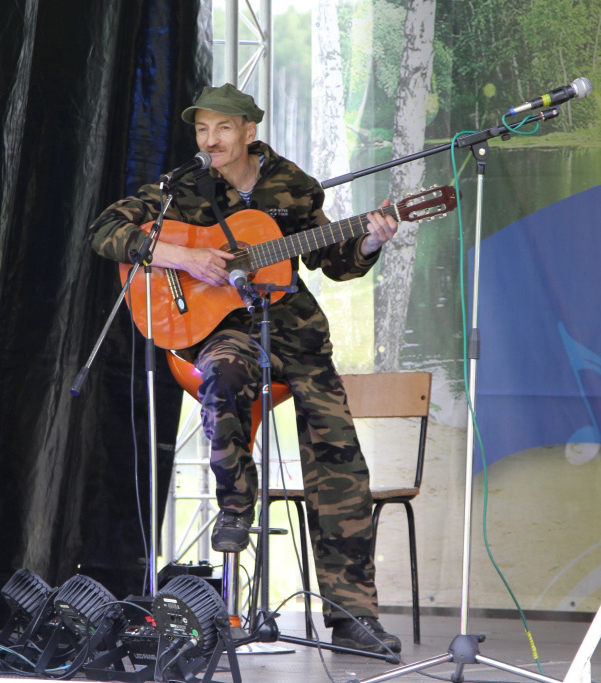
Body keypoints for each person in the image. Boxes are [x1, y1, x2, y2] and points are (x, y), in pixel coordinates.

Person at [90, 83, 401, 653]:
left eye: (223, 129)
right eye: (203, 130)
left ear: (249, 132)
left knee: (341, 461)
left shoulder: (293, 184)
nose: (211, 141)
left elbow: (332, 262)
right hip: (227, 332)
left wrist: (368, 244)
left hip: (297, 334)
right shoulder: (181, 187)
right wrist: (183, 256)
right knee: (223, 377)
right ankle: (236, 502)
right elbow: (106, 231)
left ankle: (352, 616)